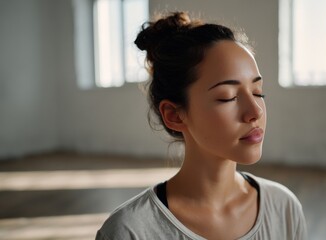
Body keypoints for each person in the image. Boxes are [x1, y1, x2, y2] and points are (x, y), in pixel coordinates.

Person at [96, 11, 307, 240]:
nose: (255, 112)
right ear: (175, 115)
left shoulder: (284, 208)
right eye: (228, 97)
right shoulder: (129, 231)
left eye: (258, 92)